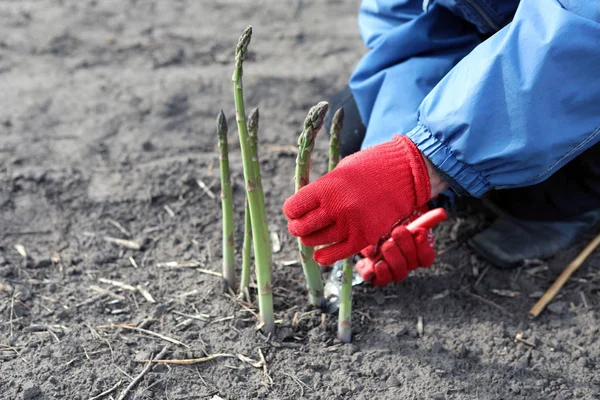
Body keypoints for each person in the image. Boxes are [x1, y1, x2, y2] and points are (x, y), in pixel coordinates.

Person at [283, 0, 600, 286]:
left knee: (543, 195)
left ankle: (573, 206)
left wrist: (426, 164)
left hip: (578, 67)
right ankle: (462, 180)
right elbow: (412, 29)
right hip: (514, 50)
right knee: (355, 125)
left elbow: (583, 33)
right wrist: (401, 169)